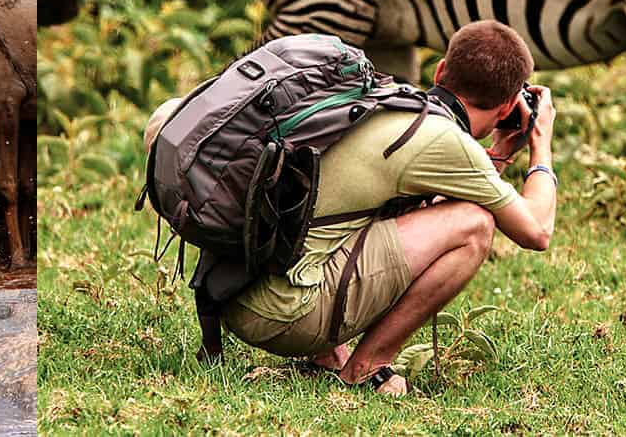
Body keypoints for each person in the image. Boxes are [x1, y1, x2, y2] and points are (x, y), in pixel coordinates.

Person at [144, 21, 559, 395]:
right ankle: (367, 367)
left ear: (440, 71)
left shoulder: (383, 103)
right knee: (475, 224)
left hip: (233, 292)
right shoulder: (440, 140)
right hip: (286, 317)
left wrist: (499, 153)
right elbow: (536, 231)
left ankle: (329, 357)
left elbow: (452, 180)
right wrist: (541, 144)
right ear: (507, 107)